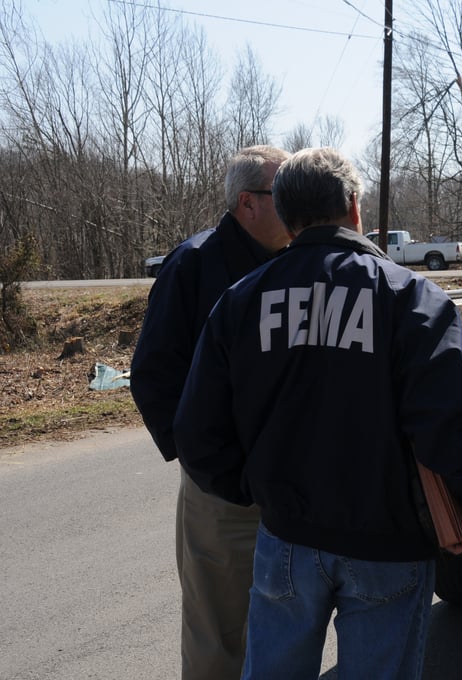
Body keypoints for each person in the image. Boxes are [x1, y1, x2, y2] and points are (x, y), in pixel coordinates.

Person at [172, 147, 462, 679]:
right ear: (355, 207)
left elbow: (196, 433)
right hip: (388, 544)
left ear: (284, 215)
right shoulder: (411, 298)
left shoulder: (241, 301)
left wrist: (255, 489)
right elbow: (448, 426)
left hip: (284, 537)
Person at [130, 145, 292, 680]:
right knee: (218, 635)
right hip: (224, 492)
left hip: (288, 485)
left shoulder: (291, 263)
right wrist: (207, 462)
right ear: (247, 203)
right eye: (281, 195)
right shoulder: (196, 263)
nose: (293, 207)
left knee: (284, 624)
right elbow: (154, 374)